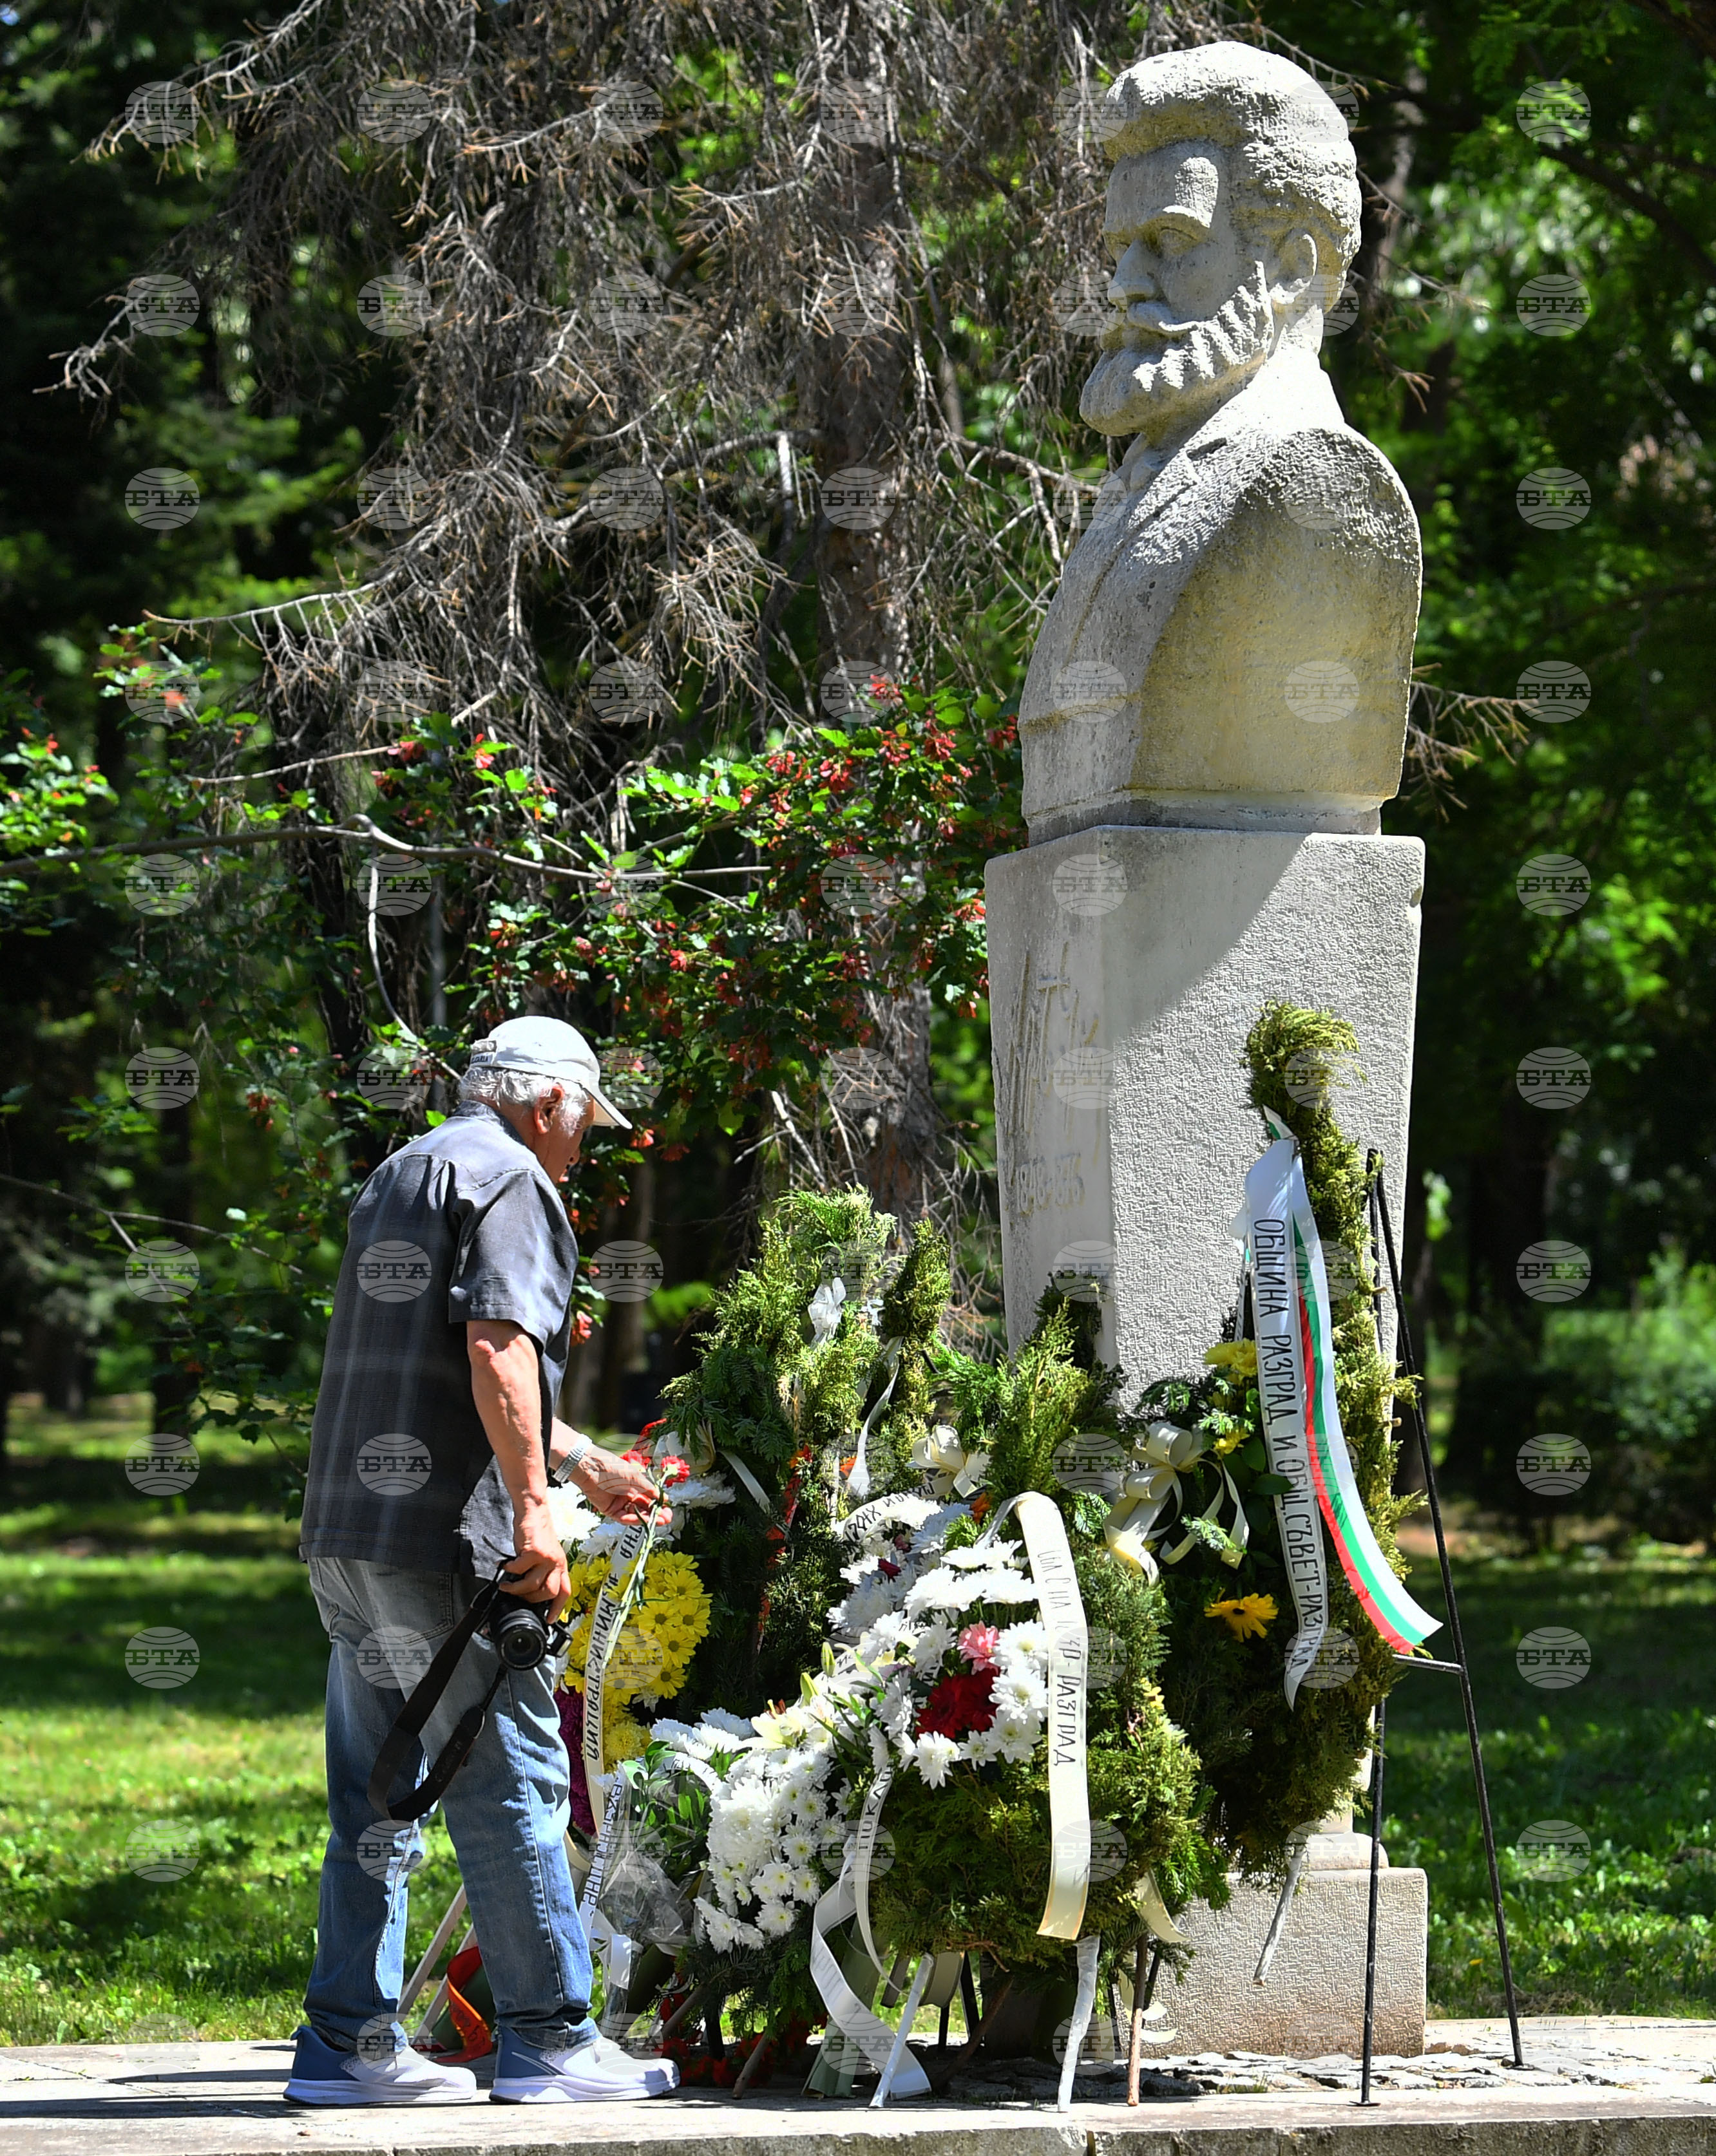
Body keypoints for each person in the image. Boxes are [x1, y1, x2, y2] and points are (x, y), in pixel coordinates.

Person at [283, 1017, 679, 2106]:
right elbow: (498, 1349)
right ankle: (549, 2036)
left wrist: (585, 1458)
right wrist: (537, 1518)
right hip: (443, 1547)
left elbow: (448, 1367)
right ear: (549, 1102)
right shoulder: (514, 1183)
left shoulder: (405, 1172)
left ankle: (348, 2047)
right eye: (583, 1127)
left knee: (376, 1797)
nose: (580, 1150)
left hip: (349, 1537)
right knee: (510, 1776)